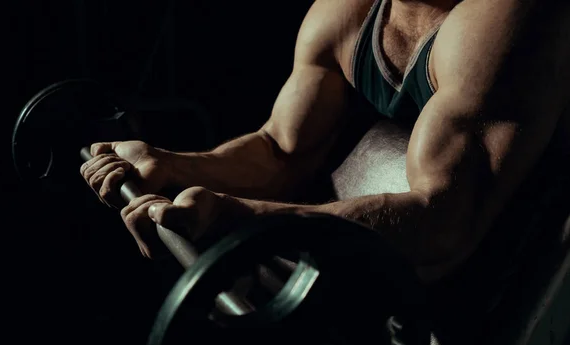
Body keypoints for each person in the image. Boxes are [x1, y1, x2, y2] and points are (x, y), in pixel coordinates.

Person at [80, 0, 570, 283]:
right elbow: (281, 151)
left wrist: (245, 219)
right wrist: (175, 165)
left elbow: (446, 223)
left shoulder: (508, 21)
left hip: (524, 275)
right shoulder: (345, 13)